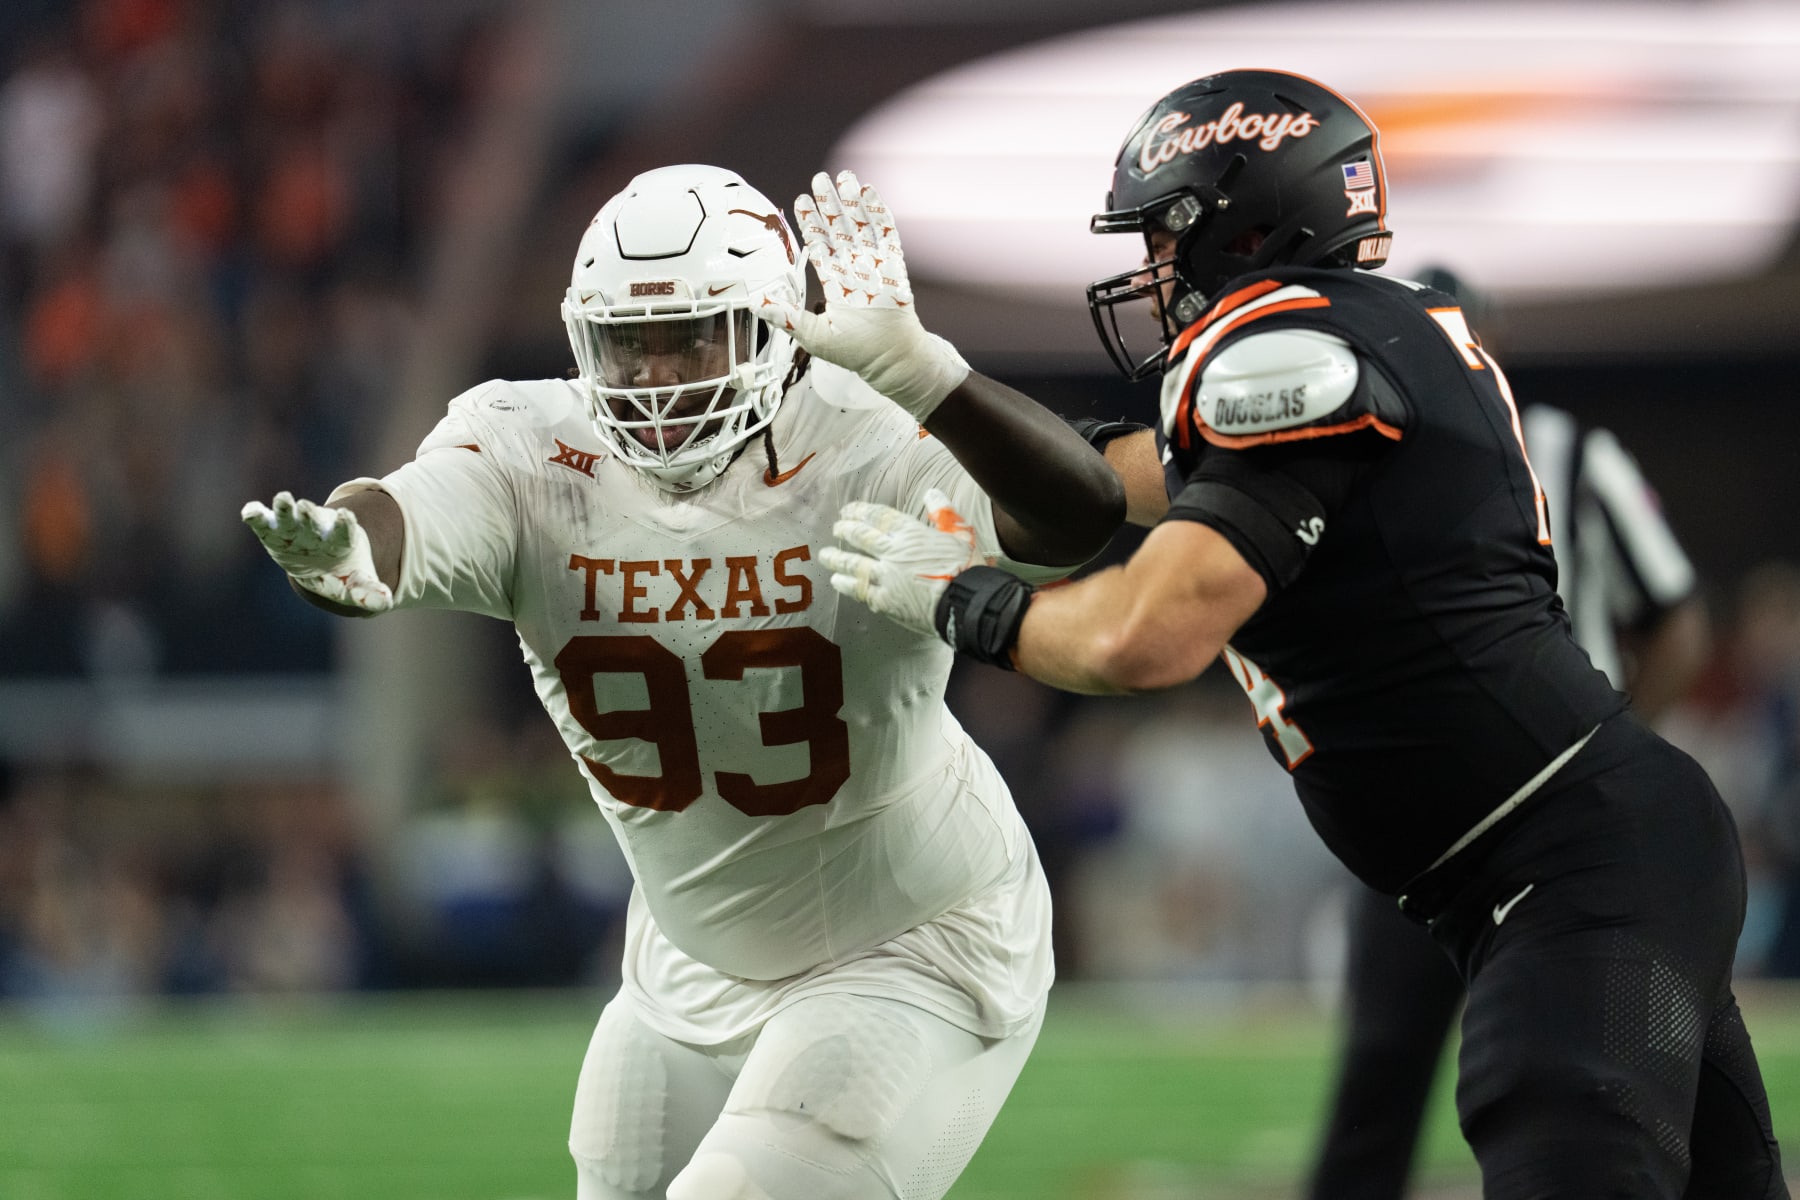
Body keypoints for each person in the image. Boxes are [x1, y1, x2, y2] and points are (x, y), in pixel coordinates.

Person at [816, 70, 1787, 1198]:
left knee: (1557, 1143)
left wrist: (963, 599)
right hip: (1571, 850)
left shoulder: (1295, 356)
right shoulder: (1351, 334)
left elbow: (1145, 637)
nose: (1154, 270)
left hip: (1562, 861)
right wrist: (932, 381)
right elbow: (1099, 486)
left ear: (1251, 220)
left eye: (1168, 235)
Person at [242, 163, 1125, 1200]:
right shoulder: (534, 449)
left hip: (910, 941)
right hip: (689, 958)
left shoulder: (863, 435)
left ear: (773, 326)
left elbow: (1078, 517)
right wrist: (351, 543)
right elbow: (407, 514)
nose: (658, 377)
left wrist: (930, 374)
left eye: (691, 335)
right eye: (630, 345)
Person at [1305, 268, 1715, 1200]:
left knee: (1605, 1078)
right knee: (1383, 1067)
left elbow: (1677, 619)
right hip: (1426, 825)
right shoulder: (1346, 452)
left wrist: (1614, 745)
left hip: (1564, 819)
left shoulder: (1565, 448)